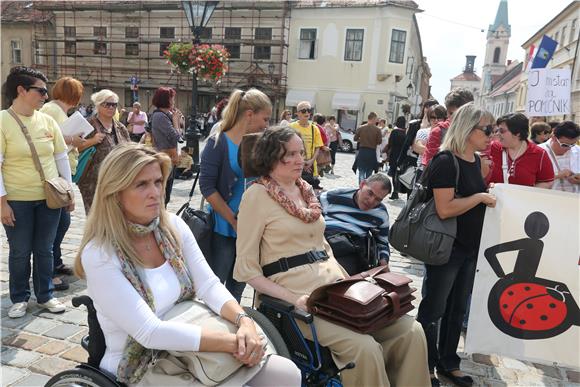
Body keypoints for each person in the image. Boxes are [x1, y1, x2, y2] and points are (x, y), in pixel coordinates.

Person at [75, 143, 300, 386]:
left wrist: (243, 322)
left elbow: (209, 285)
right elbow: (149, 333)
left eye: (158, 181)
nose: (155, 192)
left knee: (286, 374)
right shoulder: (100, 254)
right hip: (142, 360)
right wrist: (233, 343)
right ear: (115, 192)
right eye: (141, 184)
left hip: (192, 339)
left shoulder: (172, 226)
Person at [233, 127, 430, 387]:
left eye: (301, 153)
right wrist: (295, 299)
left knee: (411, 332)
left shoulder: (305, 191)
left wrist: (354, 284)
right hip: (296, 294)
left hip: (334, 288)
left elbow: (323, 245)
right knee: (364, 348)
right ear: (270, 158)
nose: (299, 159)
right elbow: (246, 270)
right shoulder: (256, 197)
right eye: (289, 155)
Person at [416, 103, 497, 387]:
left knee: (457, 308)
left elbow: (470, 196)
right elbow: (445, 208)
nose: (492, 135)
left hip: (468, 247)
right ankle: (423, 364)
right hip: (445, 247)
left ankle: (449, 361)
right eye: (487, 129)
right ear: (468, 128)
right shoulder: (445, 161)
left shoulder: (475, 159)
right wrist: (480, 198)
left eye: (494, 129)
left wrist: (485, 191)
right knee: (434, 309)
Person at [0, 66, 71, 318]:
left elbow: (60, 157)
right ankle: (19, 297)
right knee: (20, 251)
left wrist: (68, 190)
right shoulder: (2, 121)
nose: (45, 95)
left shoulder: (47, 120)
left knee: (45, 249)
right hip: (17, 200)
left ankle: (46, 295)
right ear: (21, 90)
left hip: (48, 198)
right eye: (40, 90)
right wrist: (2, 203)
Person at [200, 88, 272, 303]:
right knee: (216, 284)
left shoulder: (259, 144)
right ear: (249, 114)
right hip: (223, 226)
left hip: (250, 229)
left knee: (238, 288)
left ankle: (234, 327)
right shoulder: (217, 143)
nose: (266, 124)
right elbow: (207, 187)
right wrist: (232, 220)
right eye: (265, 118)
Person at [40, 76, 85, 291]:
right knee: (57, 224)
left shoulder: (55, 110)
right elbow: (50, 141)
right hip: (55, 175)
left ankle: (55, 262)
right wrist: (73, 140)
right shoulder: (53, 111)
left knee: (61, 222)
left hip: (61, 173)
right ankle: (49, 270)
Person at [320, 173, 392, 275]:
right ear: (362, 184)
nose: (371, 201)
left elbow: (382, 242)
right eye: (370, 193)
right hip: (323, 241)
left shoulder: (380, 213)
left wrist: (384, 261)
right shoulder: (333, 196)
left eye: (378, 199)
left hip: (351, 249)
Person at [77, 90, 129, 214]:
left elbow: (129, 152)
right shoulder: (88, 124)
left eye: (114, 104)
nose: (111, 107)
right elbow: (73, 148)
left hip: (117, 182)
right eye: (107, 104)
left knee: (116, 219)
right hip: (93, 183)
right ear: (98, 105)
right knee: (95, 219)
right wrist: (92, 141)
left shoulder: (121, 128)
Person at [487, 113, 554, 188]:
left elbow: (547, 182)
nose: (497, 134)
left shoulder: (539, 154)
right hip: (493, 198)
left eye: (502, 131)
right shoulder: (492, 148)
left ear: (517, 133)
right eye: (497, 130)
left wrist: (526, 195)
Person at [422, 88, 474, 168]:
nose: (452, 117)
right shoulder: (439, 131)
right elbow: (428, 167)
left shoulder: (479, 132)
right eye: (450, 113)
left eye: (459, 113)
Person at [150, 87, 183, 206]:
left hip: (170, 158)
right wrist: (176, 122)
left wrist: (178, 121)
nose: (173, 102)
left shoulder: (166, 115)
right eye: (172, 99)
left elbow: (180, 135)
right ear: (165, 100)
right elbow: (176, 137)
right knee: (163, 195)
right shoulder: (160, 116)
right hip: (163, 158)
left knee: (166, 195)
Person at [289, 101, 323, 188]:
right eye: (304, 110)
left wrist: (311, 161)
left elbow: (317, 147)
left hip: (310, 166)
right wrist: (302, 162)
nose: (307, 112)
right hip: (295, 164)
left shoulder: (314, 128)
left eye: (309, 110)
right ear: (297, 113)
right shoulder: (291, 127)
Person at [539, 121, 580, 193]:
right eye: (565, 145)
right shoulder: (538, 152)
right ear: (553, 137)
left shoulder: (577, 150)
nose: (569, 148)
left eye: (573, 144)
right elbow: (530, 179)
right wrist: (558, 175)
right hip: (548, 198)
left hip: (574, 199)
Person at [413, 105, 447, 182]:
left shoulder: (448, 134)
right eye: (433, 117)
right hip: (423, 171)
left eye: (439, 117)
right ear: (429, 118)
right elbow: (419, 148)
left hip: (441, 172)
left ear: (444, 118)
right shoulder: (423, 131)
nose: (436, 120)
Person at [353, 112, 382, 183]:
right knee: (369, 173)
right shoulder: (377, 130)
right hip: (371, 152)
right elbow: (379, 142)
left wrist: (362, 139)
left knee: (361, 171)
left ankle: (361, 187)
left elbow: (355, 138)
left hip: (362, 151)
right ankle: (367, 187)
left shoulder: (361, 128)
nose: (376, 121)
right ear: (373, 119)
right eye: (376, 119)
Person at [385, 116, 407, 199]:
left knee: (394, 174)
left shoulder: (394, 132)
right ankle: (396, 191)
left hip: (394, 155)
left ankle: (395, 192)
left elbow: (390, 143)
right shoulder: (405, 133)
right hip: (402, 156)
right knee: (399, 174)